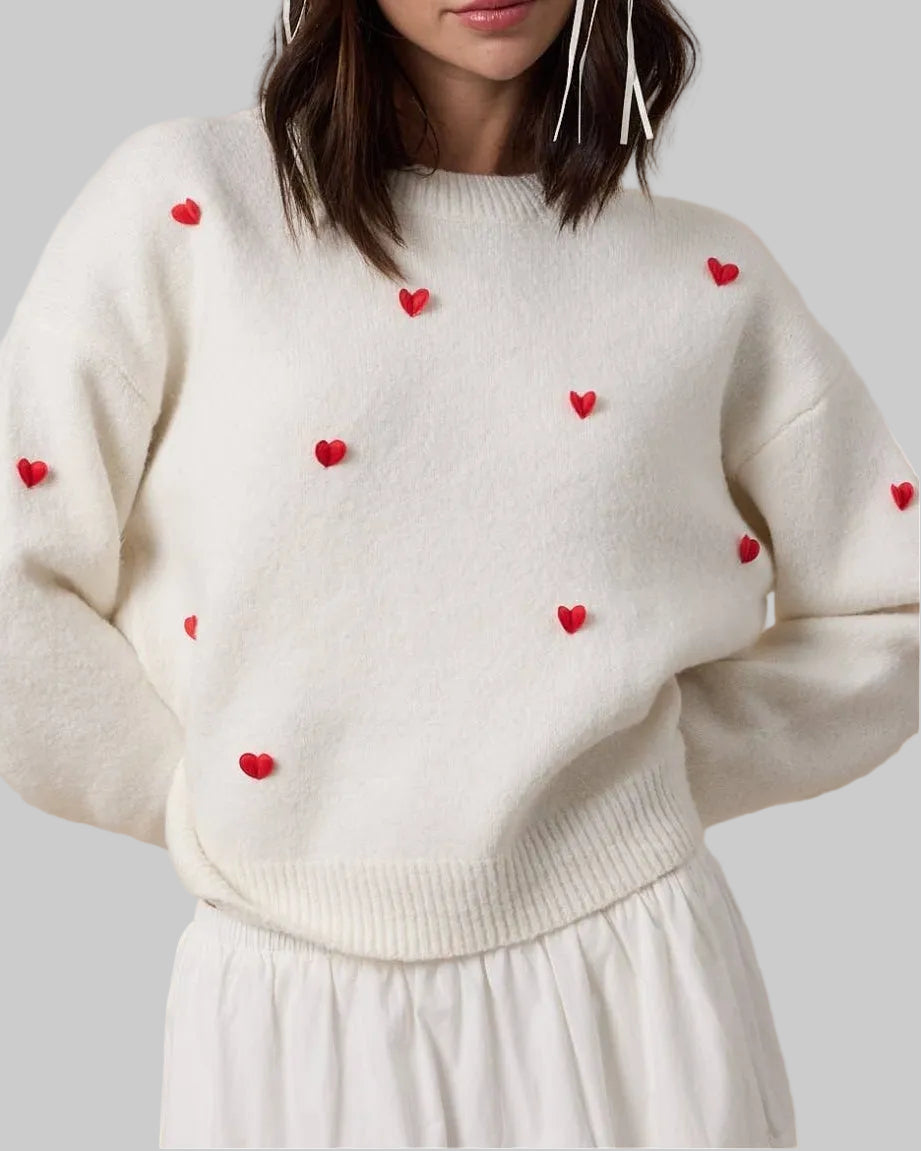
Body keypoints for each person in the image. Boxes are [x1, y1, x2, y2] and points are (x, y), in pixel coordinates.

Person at [0, 0, 917, 1147]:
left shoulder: (705, 276)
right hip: (290, 1007)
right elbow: (17, 572)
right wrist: (206, 800)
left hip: (630, 994)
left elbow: (891, 602)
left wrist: (641, 772)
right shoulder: (189, 208)